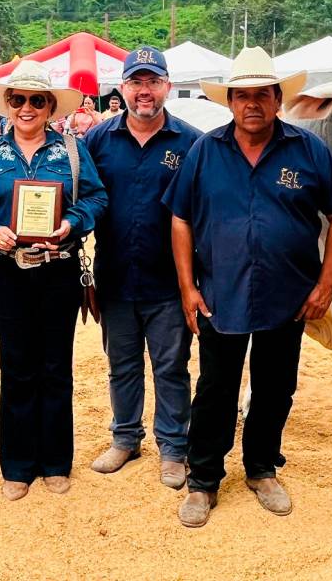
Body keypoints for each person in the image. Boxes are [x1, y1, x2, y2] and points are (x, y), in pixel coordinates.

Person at [162, 46, 332, 527]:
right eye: (242, 95)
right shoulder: (206, 149)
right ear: (230, 101)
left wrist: (326, 284)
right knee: (215, 389)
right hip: (219, 293)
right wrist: (187, 286)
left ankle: (262, 468)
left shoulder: (308, 149)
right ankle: (204, 480)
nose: (252, 104)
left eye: (262, 95)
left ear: (277, 99)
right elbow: (181, 218)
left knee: (275, 388)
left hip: (287, 295)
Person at [0, 61, 107, 501]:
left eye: (37, 100)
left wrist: (72, 223)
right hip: (9, 273)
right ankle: (18, 464)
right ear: (7, 104)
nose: (27, 108)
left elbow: (98, 197)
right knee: (17, 366)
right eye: (19, 99)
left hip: (59, 270)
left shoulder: (73, 152)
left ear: (49, 106)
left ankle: (56, 461)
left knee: (55, 366)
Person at [84, 46, 200, 488]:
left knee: (171, 366)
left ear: (167, 86)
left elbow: (200, 212)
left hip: (170, 283)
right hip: (114, 276)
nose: (144, 91)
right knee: (122, 365)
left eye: (153, 82)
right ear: (122, 88)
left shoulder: (191, 143)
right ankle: (125, 438)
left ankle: (173, 448)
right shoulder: (97, 141)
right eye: (136, 82)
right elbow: (80, 198)